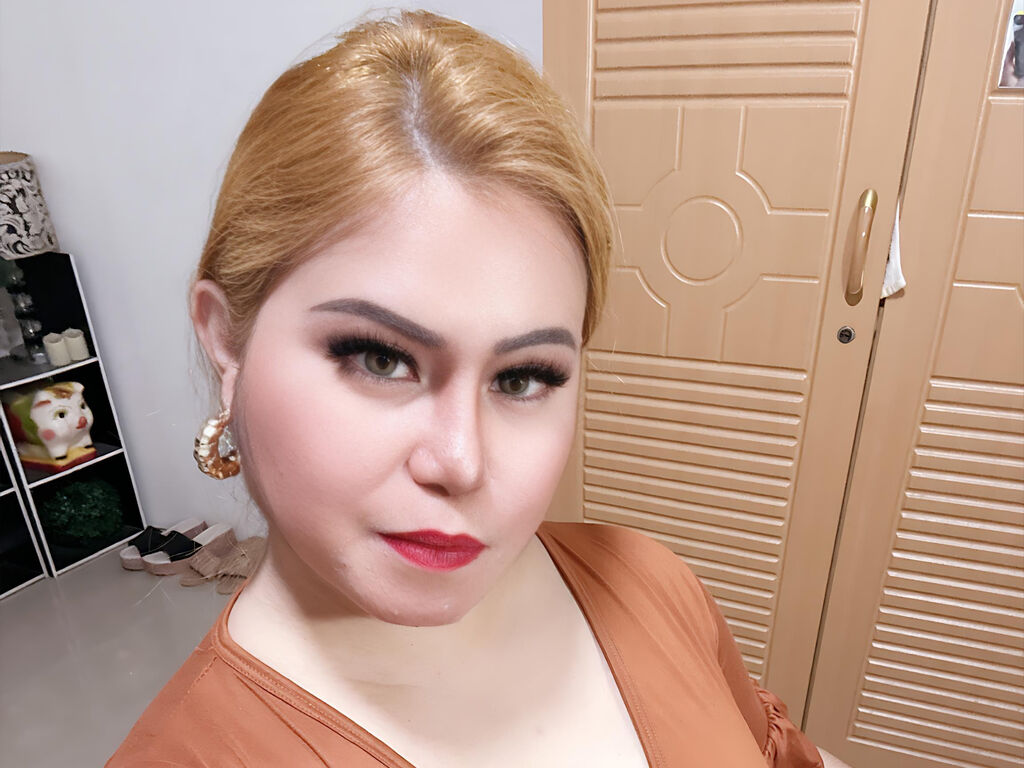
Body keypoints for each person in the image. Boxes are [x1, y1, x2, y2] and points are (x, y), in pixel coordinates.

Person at [108, 10, 831, 767]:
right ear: (227, 339)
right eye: (380, 359)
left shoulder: (649, 584)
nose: (461, 461)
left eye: (522, 378)